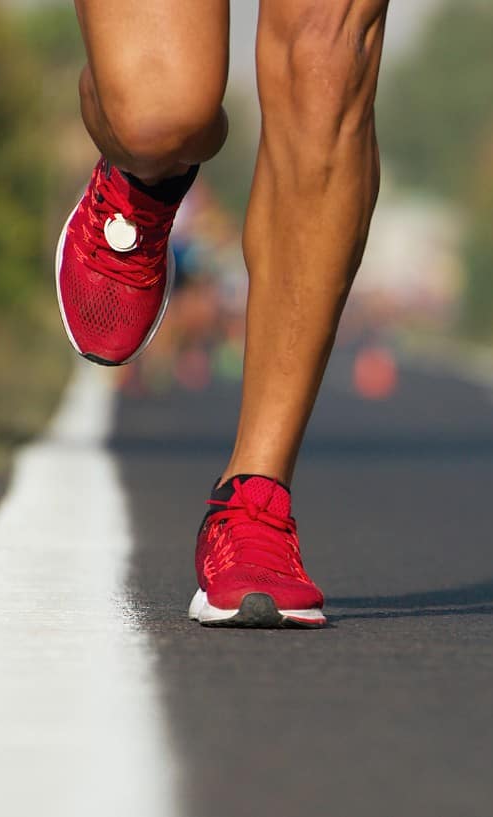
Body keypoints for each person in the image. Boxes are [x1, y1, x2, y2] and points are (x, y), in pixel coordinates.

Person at [56, 0, 390, 628]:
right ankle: (143, 177)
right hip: (154, 135)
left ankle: (255, 501)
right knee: (159, 116)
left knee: (327, 60)